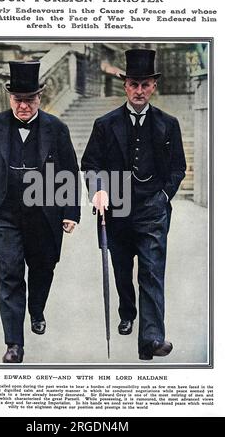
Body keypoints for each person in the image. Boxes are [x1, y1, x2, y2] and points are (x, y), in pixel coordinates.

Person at [0, 61, 80, 363]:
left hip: (44, 213)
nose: (23, 106)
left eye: (29, 100)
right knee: (9, 274)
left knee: (43, 269)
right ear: (10, 99)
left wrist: (71, 211)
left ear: (39, 98)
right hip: (4, 214)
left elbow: (69, 171)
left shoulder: (56, 129)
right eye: (18, 100)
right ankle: (13, 343)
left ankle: (37, 309)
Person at [81, 49, 186, 360]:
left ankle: (152, 338)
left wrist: (165, 195)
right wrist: (98, 190)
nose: (139, 91)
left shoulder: (169, 124)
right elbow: (90, 163)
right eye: (133, 85)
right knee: (122, 269)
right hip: (116, 211)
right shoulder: (105, 124)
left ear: (153, 86)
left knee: (152, 272)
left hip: (153, 209)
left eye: (145, 85)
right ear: (124, 86)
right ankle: (127, 310)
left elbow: (178, 167)